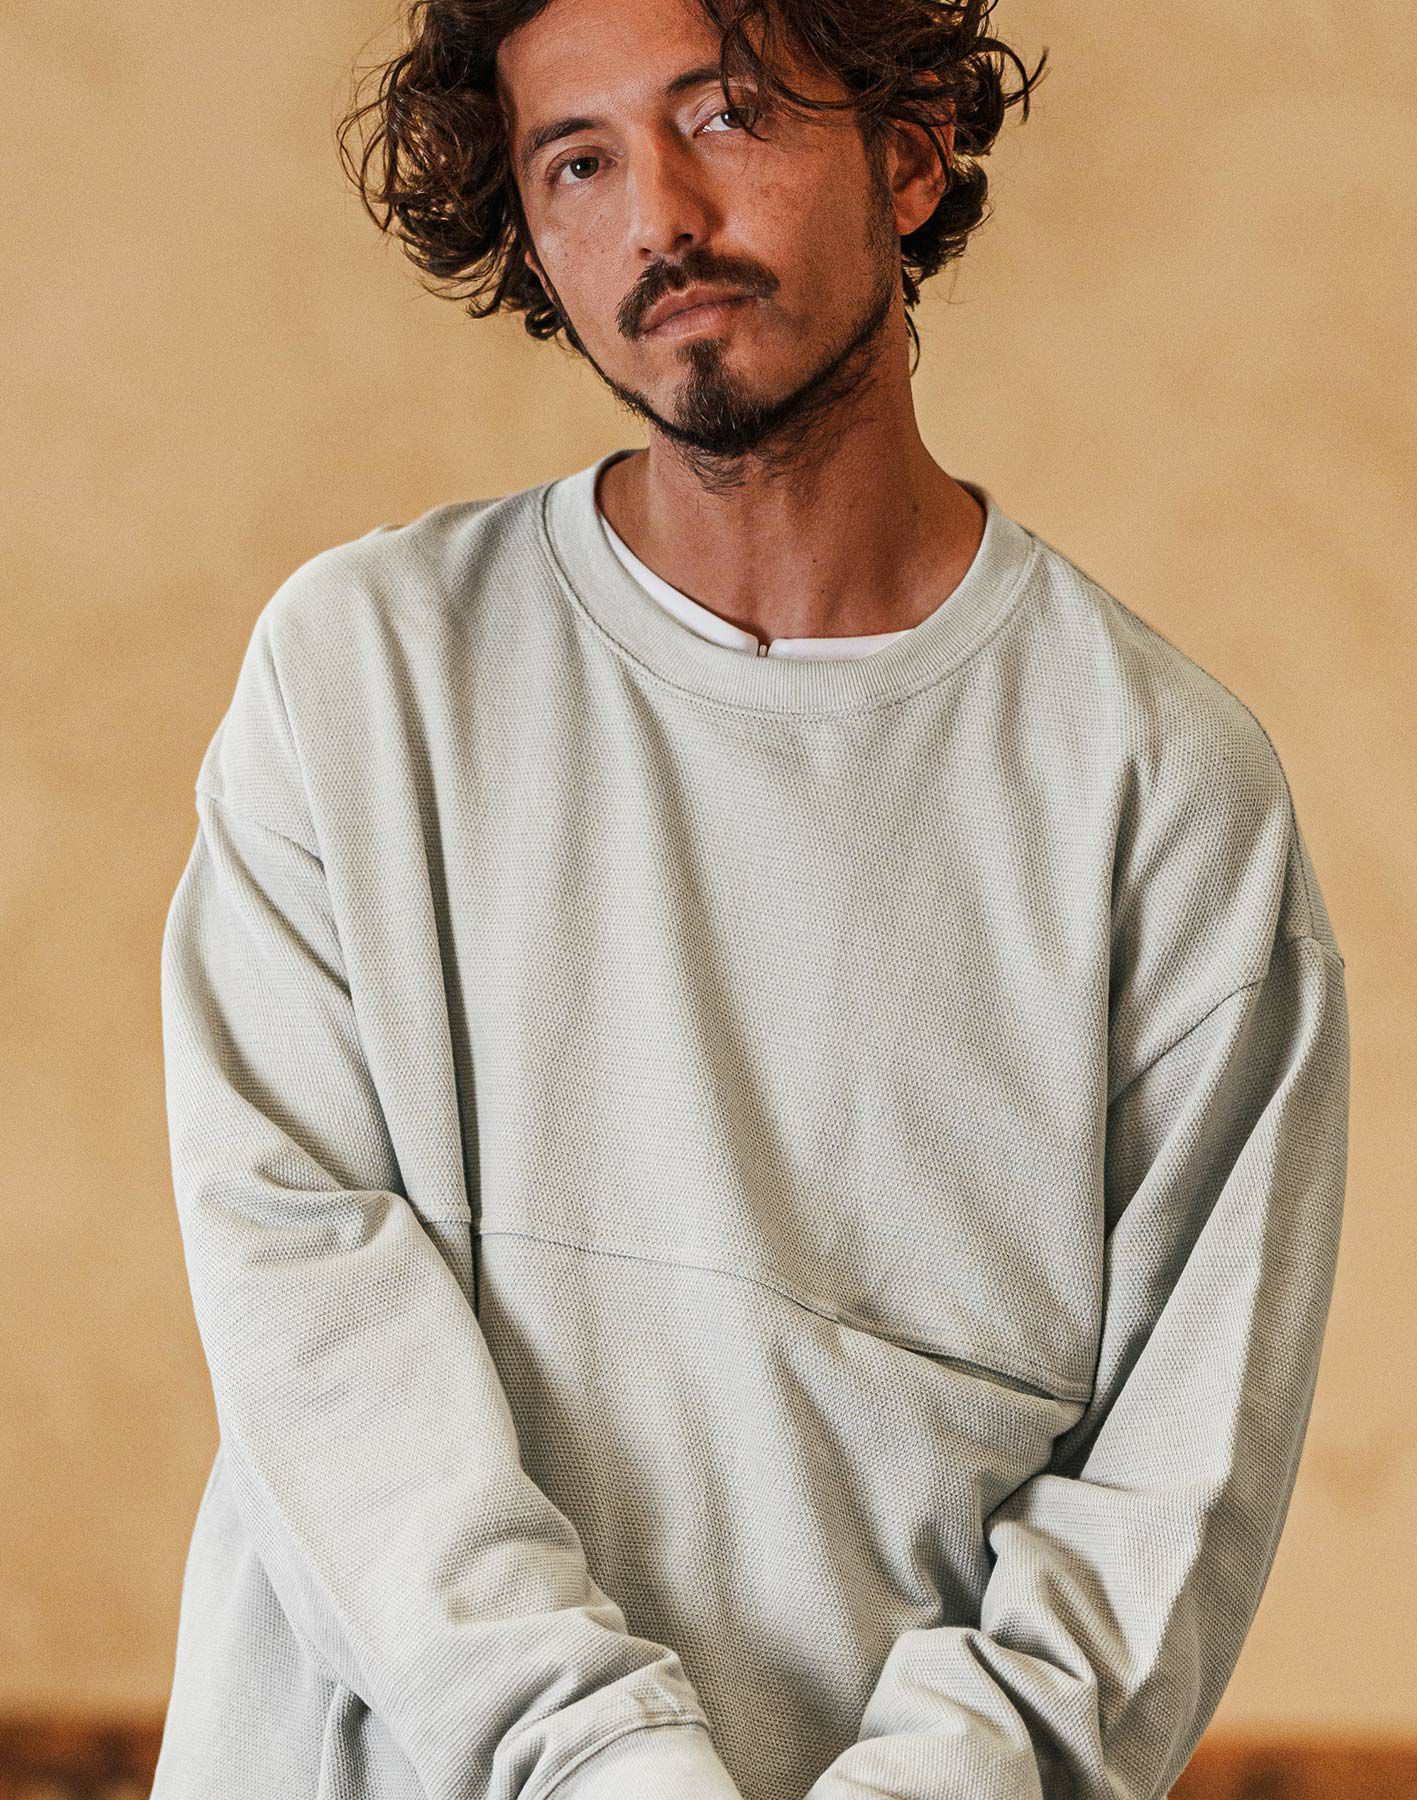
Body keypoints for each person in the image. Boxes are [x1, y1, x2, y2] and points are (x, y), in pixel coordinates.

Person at [149, 0, 1351, 1795]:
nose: (658, 215)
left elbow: (1170, 1489)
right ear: (527, 232)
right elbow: (308, 1310)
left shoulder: (1167, 790)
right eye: (577, 161)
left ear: (910, 150)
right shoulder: (361, 678)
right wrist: (606, 1767)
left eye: (726, 115)